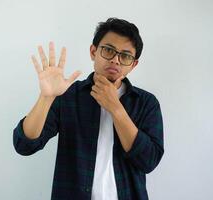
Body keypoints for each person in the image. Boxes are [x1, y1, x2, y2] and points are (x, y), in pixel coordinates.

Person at [13, 17, 164, 200]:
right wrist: (46, 98)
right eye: (108, 50)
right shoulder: (68, 95)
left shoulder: (146, 103)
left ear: (133, 64)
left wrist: (116, 108)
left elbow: (149, 161)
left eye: (125, 56)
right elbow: (24, 145)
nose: (115, 60)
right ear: (93, 51)